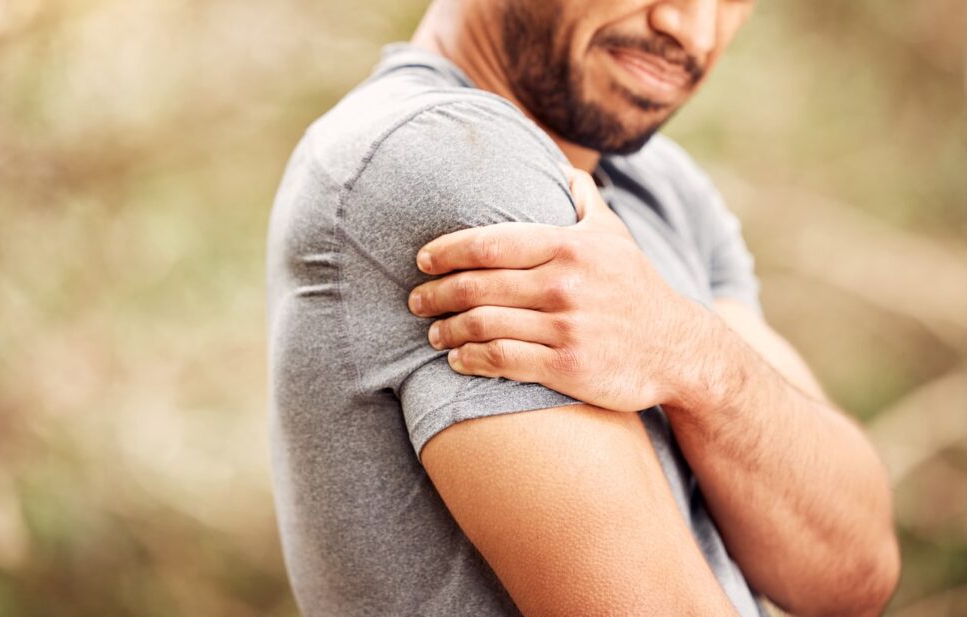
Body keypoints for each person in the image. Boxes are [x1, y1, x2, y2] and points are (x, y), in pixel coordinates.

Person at [265, 0, 901, 615]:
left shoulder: (660, 186)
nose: (693, 29)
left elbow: (855, 572)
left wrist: (692, 355)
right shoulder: (445, 153)